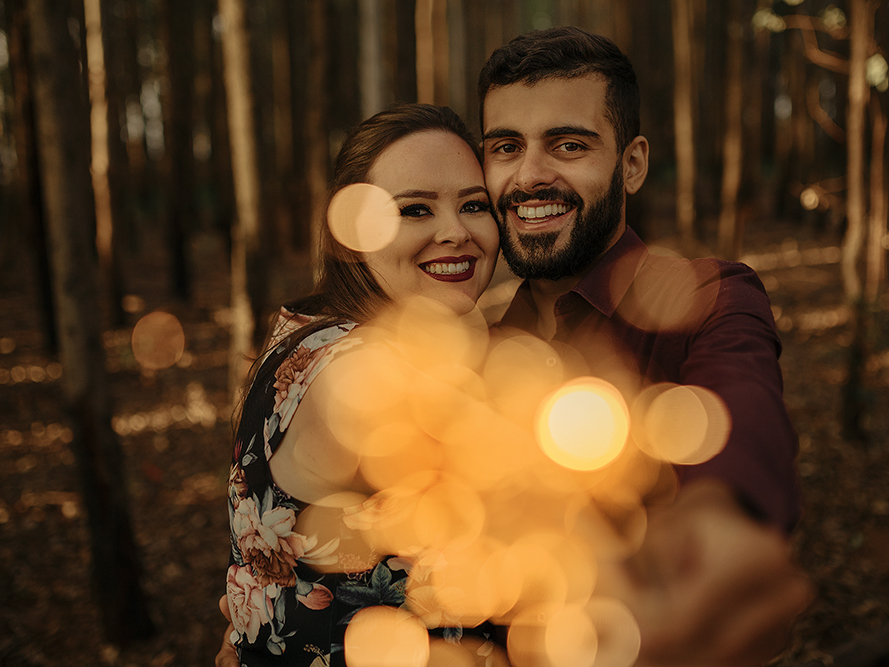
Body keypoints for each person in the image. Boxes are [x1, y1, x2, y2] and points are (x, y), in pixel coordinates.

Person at [477, 25, 811, 666]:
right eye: (506, 147)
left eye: (568, 144)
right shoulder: (475, 350)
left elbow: (742, 399)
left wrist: (718, 514)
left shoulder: (710, 296)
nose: (530, 175)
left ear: (632, 164)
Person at [222, 103, 501, 666]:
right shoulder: (365, 367)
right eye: (415, 210)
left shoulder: (304, 333)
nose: (456, 231)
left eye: (474, 205)